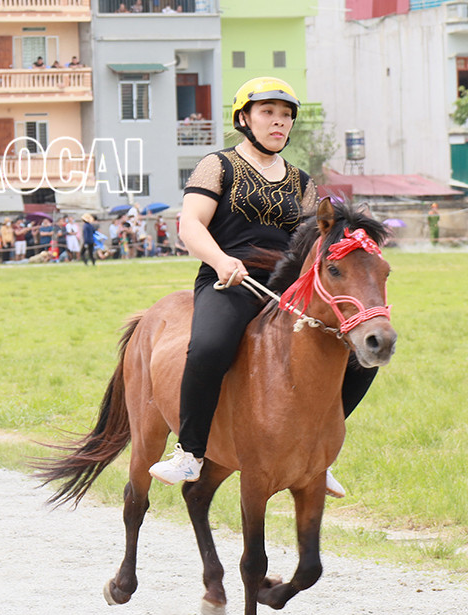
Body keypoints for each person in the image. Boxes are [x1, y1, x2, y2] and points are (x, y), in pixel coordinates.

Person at [147, 77, 374, 498]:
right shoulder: (219, 165)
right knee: (210, 347)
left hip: (286, 289)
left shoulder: (302, 182)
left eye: (286, 116)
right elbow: (190, 224)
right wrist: (220, 260)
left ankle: (316, 455)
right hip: (230, 279)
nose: (279, 122)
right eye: (268, 112)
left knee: (362, 355)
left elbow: (313, 242)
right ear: (244, 118)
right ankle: (191, 453)